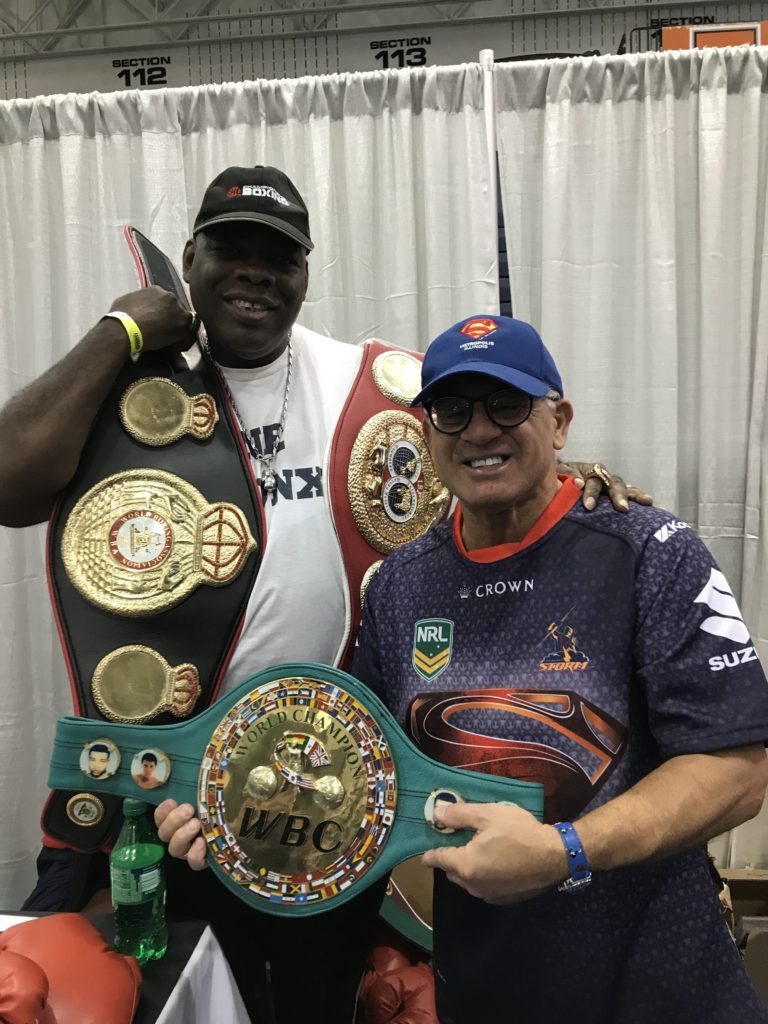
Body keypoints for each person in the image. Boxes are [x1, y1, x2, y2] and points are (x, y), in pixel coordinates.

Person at [0, 167, 641, 1024]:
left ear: (305, 273)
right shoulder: (128, 397)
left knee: (316, 1005)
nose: (255, 272)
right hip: (174, 797)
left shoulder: (371, 384)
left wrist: (576, 481)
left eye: (280, 255)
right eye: (231, 249)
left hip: (332, 800)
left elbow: (491, 438)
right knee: (172, 999)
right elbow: (7, 483)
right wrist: (119, 332)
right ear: (189, 260)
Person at [349, 314, 768, 1024]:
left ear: (560, 420)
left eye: (507, 404)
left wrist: (563, 851)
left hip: (661, 988)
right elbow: (365, 774)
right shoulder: (397, 587)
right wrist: (236, 822)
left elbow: (736, 772)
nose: (479, 431)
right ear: (427, 436)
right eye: (453, 409)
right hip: (485, 990)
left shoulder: (654, 551)